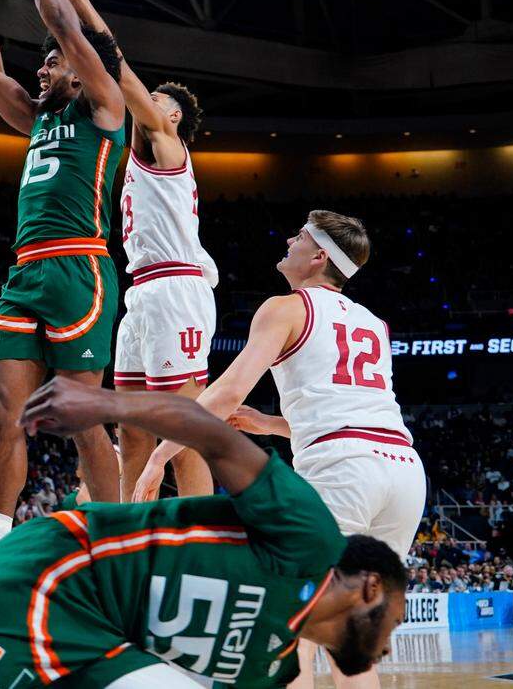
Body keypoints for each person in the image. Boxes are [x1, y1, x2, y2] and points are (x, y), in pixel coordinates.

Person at [0, 377, 407, 689]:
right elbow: (211, 435)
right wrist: (104, 405)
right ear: (371, 587)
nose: (386, 649)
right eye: (395, 623)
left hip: (102, 643)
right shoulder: (310, 535)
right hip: (55, 571)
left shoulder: (272, 667)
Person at [134, 210, 426, 689]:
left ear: (317, 257)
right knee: (350, 639)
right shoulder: (374, 323)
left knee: (290, 631)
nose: (289, 239)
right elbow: (349, 411)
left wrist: (160, 454)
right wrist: (268, 423)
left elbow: (226, 392)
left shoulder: (285, 307)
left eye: (300, 236)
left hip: (342, 472)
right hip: (404, 473)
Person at [0, 0, 127, 599]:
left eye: (54, 64)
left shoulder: (106, 109)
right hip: (26, 270)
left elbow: (63, 25)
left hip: (82, 268)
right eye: (46, 65)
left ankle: (109, 541)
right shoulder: (35, 118)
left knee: (81, 416)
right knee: (4, 409)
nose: (44, 69)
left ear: (81, 72)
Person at [35, 0, 216, 503]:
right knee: (132, 427)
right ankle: (130, 532)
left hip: (176, 287)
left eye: (159, 100)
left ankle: (197, 534)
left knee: (183, 429)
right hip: (141, 292)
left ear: (175, 117)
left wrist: (81, 4)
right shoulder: (135, 153)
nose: (149, 102)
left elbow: (118, 74)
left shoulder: (166, 140)